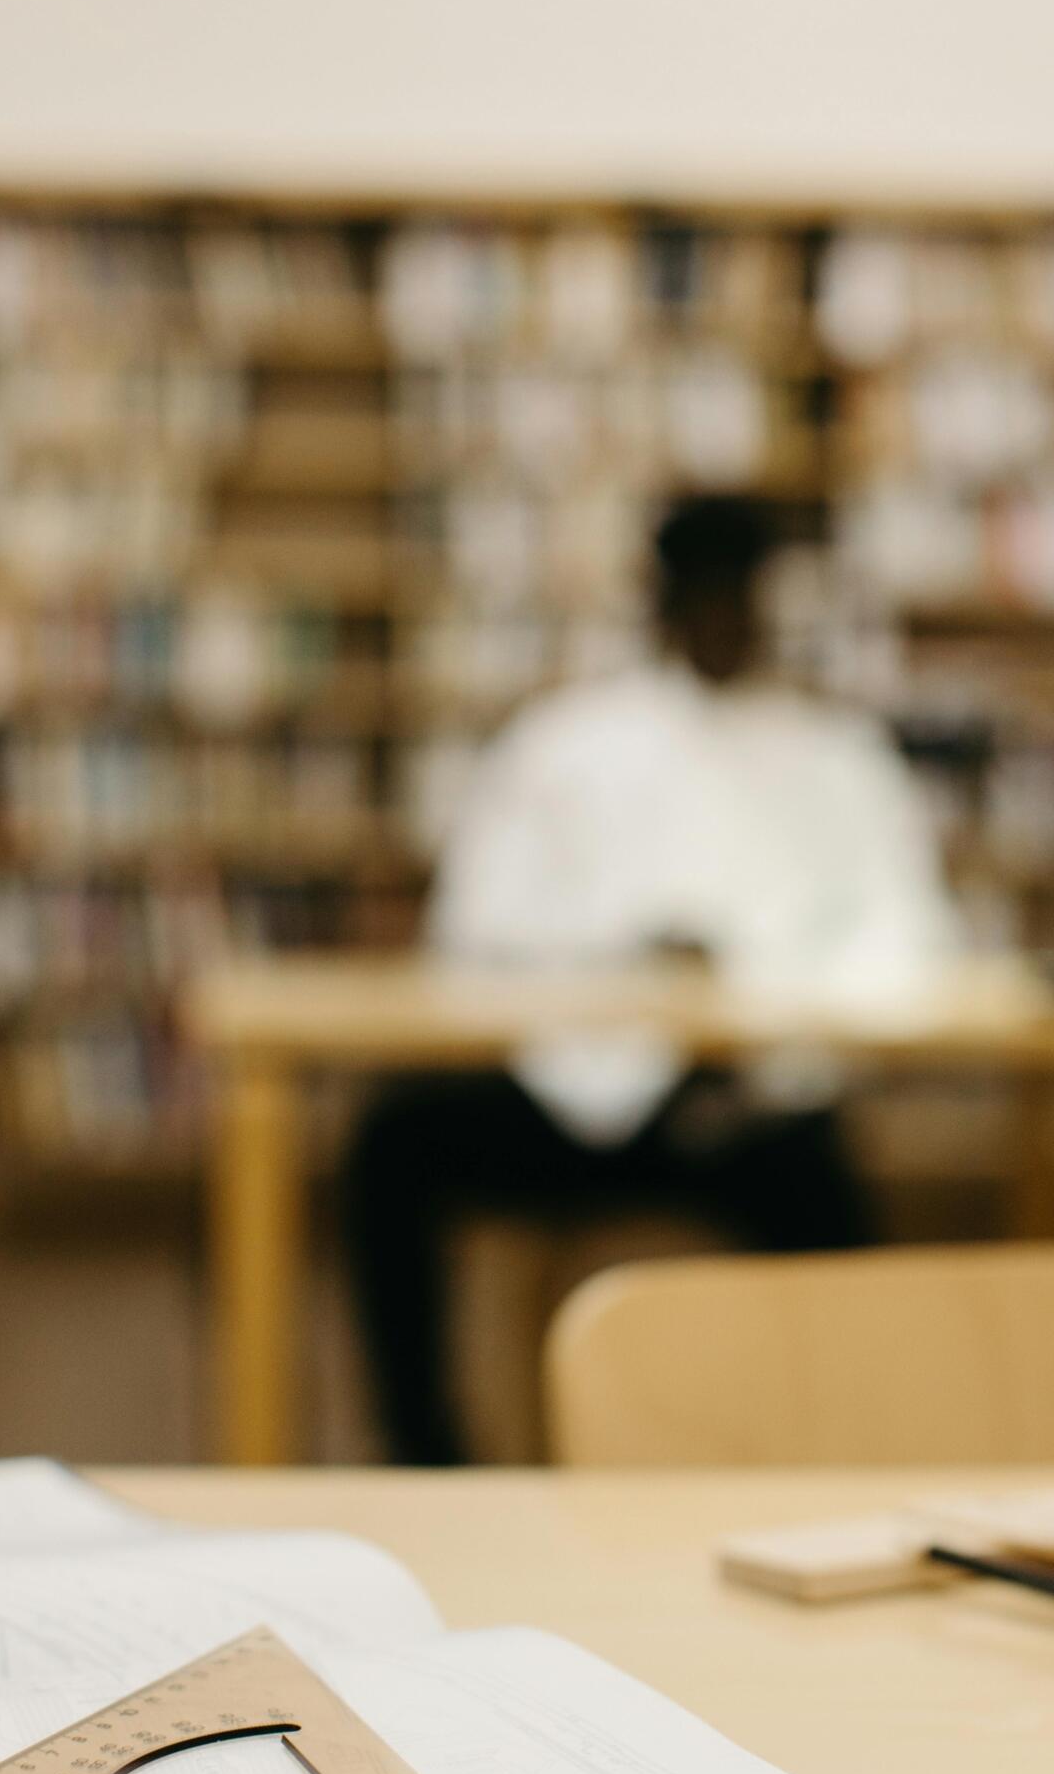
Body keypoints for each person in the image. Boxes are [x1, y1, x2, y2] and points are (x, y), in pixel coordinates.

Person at [343, 496, 960, 1463]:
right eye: (700, 602)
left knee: (828, 1199)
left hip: (744, 1112)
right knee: (388, 1150)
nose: (721, 624)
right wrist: (619, 964)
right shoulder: (566, 743)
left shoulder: (833, 759)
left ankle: (846, 1455)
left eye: (740, 603)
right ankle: (426, 1450)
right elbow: (471, 934)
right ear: (661, 608)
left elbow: (906, 942)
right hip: (566, 1097)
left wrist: (754, 993)